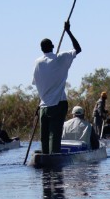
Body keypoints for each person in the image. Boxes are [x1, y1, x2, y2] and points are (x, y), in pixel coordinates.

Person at [32, 20, 81, 154]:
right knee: (54, 135)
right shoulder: (60, 58)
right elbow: (78, 49)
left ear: (42, 49)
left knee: (44, 138)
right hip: (58, 104)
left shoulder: (37, 63)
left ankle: (45, 161)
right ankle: (54, 160)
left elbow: (38, 84)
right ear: (53, 46)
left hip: (43, 107)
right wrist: (69, 31)